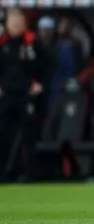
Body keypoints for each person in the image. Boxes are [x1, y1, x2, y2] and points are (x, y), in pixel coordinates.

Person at [0, 9, 48, 181]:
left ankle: (30, 175)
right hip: (6, 96)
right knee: (2, 134)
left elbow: (49, 64)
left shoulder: (32, 42)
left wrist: (41, 84)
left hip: (26, 95)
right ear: (7, 23)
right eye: (13, 21)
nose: (16, 24)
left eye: (19, 20)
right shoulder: (2, 42)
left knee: (29, 136)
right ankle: (3, 174)